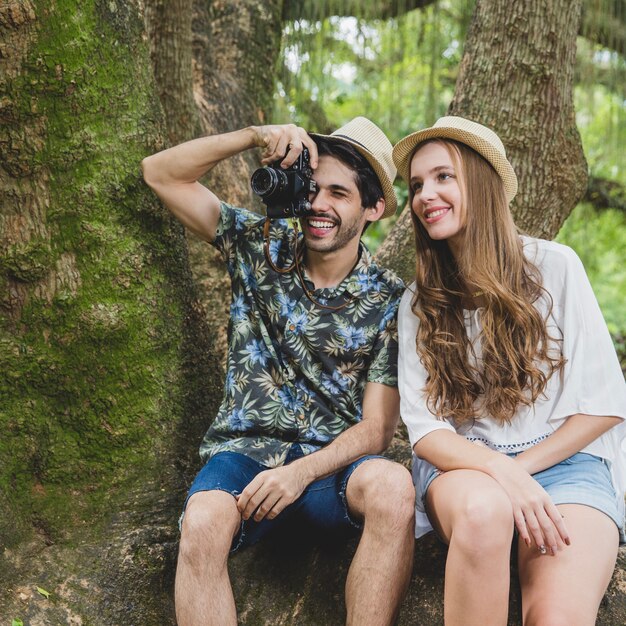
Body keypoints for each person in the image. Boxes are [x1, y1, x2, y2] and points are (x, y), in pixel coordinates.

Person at [141, 117, 415, 626]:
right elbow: (159, 173)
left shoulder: (391, 300)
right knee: (202, 521)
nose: (318, 205)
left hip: (329, 471)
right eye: (313, 189)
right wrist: (252, 136)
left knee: (394, 487)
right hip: (244, 455)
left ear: (373, 208)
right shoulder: (259, 244)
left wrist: (298, 473)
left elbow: (377, 429)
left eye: (339, 193)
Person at [392, 116, 626, 626]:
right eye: (416, 185)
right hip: (464, 469)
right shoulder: (419, 302)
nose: (424, 194)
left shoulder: (556, 268)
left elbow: (605, 405)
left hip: (567, 465)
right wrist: (497, 473)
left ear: (480, 181)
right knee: (482, 512)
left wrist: (518, 473)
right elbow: (426, 431)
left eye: (442, 177)